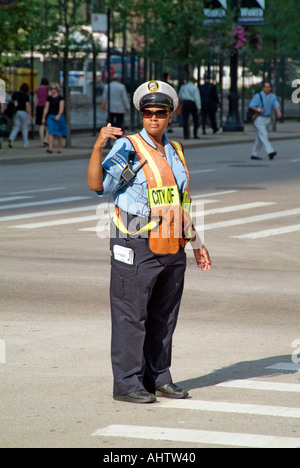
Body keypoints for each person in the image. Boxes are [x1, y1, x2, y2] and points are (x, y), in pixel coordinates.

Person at [87, 80, 211, 404]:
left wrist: (197, 243)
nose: (153, 118)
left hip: (172, 242)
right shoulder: (128, 147)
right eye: (147, 112)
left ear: (171, 115)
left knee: (164, 315)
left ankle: (158, 377)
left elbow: (182, 201)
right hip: (134, 241)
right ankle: (127, 383)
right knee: (131, 313)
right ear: (141, 115)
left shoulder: (176, 150)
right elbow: (96, 185)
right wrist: (99, 145)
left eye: (160, 112)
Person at [249, 81, 282, 160]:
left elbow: (276, 104)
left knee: (260, 137)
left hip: (267, 118)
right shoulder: (258, 96)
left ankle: (254, 153)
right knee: (264, 134)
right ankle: (270, 151)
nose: (267, 89)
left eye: (268, 87)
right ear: (263, 88)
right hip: (259, 118)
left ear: (270, 88)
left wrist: (278, 112)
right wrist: (259, 109)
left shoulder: (272, 96)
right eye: (265, 87)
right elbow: (251, 105)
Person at [42, 83, 68, 153]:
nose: (53, 90)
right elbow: (46, 108)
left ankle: (60, 148)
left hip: (58, 117)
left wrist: (59, 115)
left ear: (57, 89)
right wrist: (44, 117)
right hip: (51, 116)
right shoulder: (49, 98)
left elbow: (61, 108)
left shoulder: (60, 98)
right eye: (51, 89)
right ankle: (50, 148)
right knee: (51, 132)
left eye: (55, 89)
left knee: (60, 134)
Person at [8, 83, 33, 149]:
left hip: (16, 112)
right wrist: (30, 115)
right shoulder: (26, 95)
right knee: (24, 127)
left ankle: (11, 138)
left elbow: (11, 102)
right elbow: (28, 105)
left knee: (16, 127)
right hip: (23, 112)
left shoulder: (15, 94)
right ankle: (25, 143)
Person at [34, 77, 49, 147]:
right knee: (48, 125)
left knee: (41, 125)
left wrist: (35, 110)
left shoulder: (37, 90)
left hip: (39, 107)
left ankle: (42, 141)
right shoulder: (48, 90)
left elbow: (35, 101)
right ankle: (46, 139)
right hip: (46, 107)